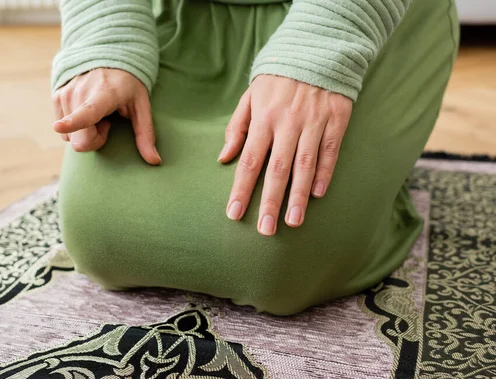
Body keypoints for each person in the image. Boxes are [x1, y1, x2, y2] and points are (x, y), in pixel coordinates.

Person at [51, 0, 459, 315]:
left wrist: (321, 50)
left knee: (276, 258)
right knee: (100, 236)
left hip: (344, 13)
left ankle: (382, 174)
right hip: (185, 14)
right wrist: (106, 40)